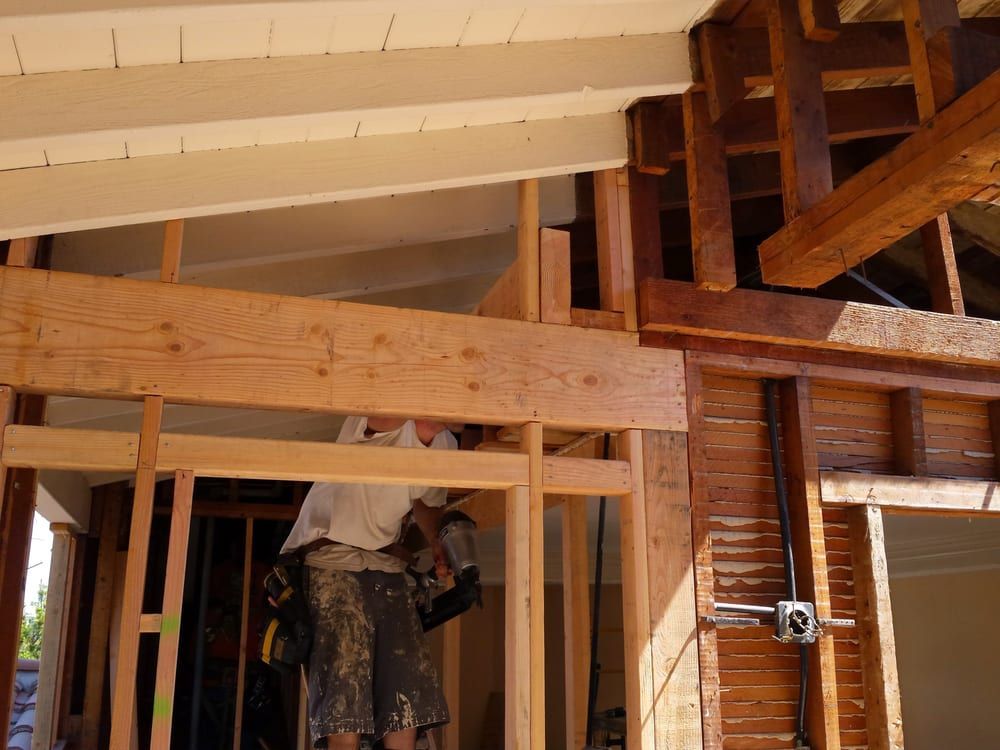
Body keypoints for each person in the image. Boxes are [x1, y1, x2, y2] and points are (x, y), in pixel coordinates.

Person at [280, 416, 460, 750]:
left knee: (405, 698)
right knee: (344, 699)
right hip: (331, 558)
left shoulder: (446, 445)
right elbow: (381, 416)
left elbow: (425, 501)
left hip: (385, 565)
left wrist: (436, 539)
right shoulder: (382, 418)